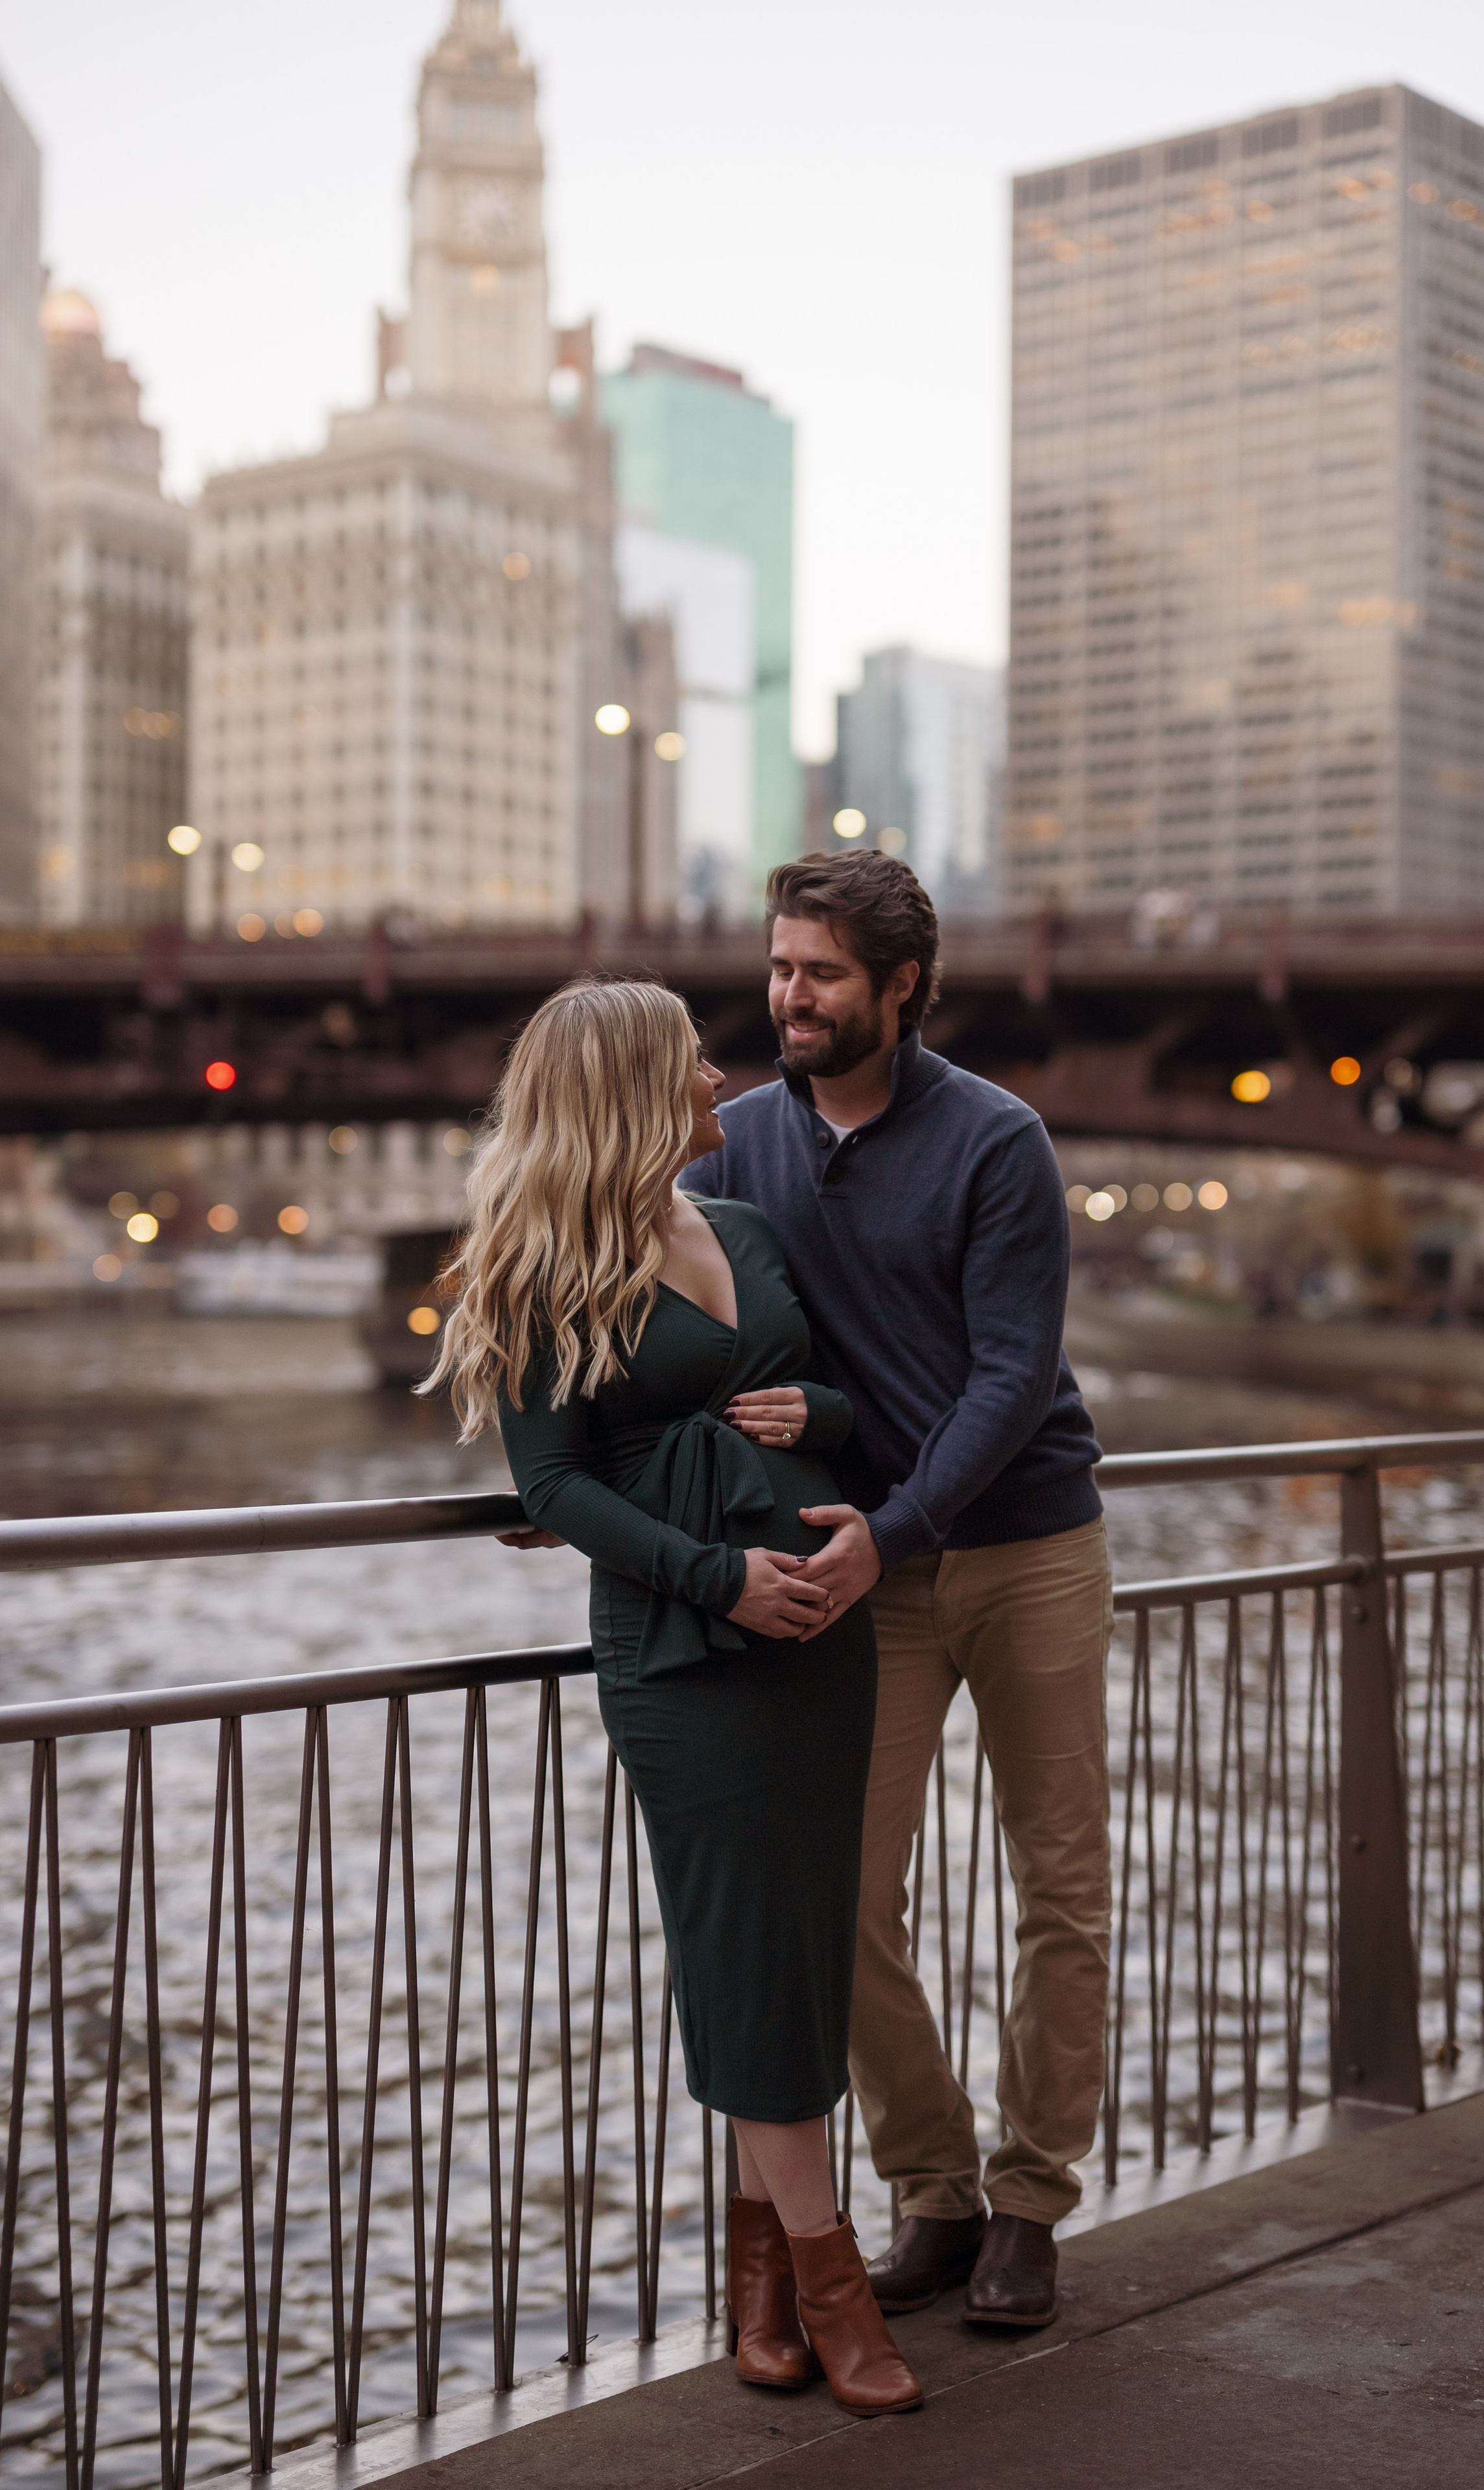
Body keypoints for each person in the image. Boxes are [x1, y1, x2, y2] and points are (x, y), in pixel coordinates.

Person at [422, 975, 922, 2419]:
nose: (717, 1076)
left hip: (826, 1634)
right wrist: (718, 1579)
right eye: (689, 1060)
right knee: (738, 1947)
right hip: (689, 1651)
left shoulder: (748, 1232)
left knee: (807, 1943)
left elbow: (835, 1403)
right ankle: (829, 2283)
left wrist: (814, 1425)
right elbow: (554, 1485)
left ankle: (757, 2270)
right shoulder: (530, 1262)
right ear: (631, 1084)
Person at [681, 851, 1112, 2332]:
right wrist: (584, 1482)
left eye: (819, 976)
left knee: (1058, 1889)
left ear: (902, 987)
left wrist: (898, 1518)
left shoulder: (996, 1143)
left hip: (1025, 1545)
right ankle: (932, 2194)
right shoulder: (732, 1143)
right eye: (779, 968)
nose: (787, 999)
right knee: (841, 1902)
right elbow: (650, 1312)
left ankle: (1032, 2203)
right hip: (870, 1564)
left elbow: (1008, 1376)